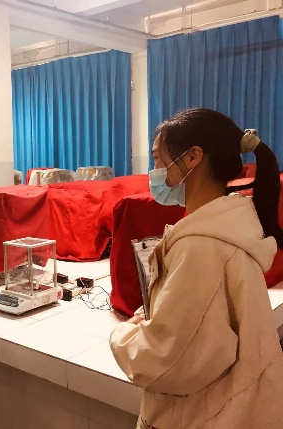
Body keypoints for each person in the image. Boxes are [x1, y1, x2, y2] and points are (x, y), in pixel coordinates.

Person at [109, 108, 283, 428]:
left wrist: (123, 335)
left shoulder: (201, 246)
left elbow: (167, 361)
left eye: (158, 159)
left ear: (192, 157)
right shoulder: (227, 226)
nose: (153, 172)